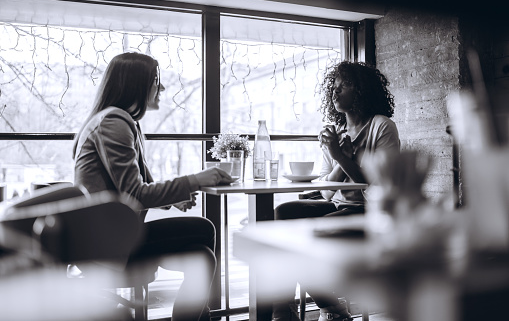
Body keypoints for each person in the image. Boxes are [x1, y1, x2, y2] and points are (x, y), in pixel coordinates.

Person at [73, 52, 234, 321]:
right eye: (156, 80)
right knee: (204, 228)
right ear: (136, 84)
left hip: (111, 234)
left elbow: (138, 188)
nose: (162, 88)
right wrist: (196, 180)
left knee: (203, 256)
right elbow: (134, 193)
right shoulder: (114, 122)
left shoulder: (121, 122)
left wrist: (174, 199)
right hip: (105, 243)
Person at [273, 61, 400, 321]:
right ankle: (283, 309)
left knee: (307, 236)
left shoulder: (382, 126)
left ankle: (331, 309)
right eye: (334, 85)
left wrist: (341, 158)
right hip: (337, 206)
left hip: (371, 212)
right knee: (282, 213)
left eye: (344, 85)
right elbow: (327, 192)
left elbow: (381, 188)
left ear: (362, 90)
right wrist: (339, 156)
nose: (335, 91)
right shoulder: (336, 131)